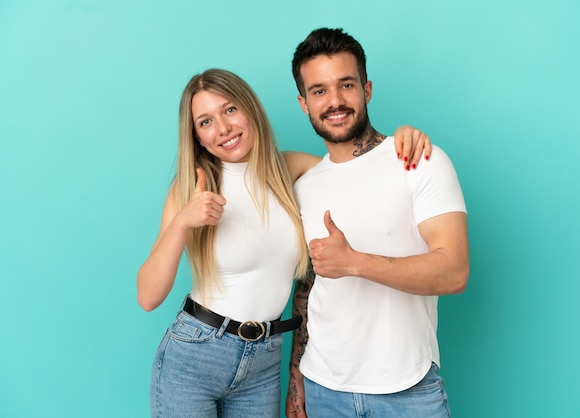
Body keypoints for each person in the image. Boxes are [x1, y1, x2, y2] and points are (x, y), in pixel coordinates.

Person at [136, 68, 431, 417]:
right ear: (197, 138)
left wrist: (402, 138)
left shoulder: (289, 169)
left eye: (230, 110)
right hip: (196, 355)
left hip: (264, 361)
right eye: (205, 122)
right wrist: (184, 220)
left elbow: (355, 166)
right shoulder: (190, 189)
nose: (223, 128)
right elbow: (148, 296)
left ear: (250, 110)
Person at [286, 28, 470, 418]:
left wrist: (354, 262)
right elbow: (309, 287)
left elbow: (454, 271)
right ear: (303, 103)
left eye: (346, 85)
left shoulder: (418, 161)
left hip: (407, 390)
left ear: (367, 89)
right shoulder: (304, 186)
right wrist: (296, 375)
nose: (334, 101)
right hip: (322, 388)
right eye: (319, 91)